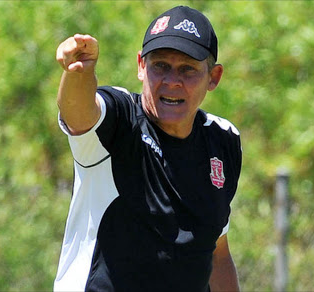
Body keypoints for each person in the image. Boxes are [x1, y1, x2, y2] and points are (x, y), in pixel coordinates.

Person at [54, 5, 242, 292]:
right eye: (160, 66)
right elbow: (78, 114)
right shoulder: (120, 121)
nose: (171, 81)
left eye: (188, 69)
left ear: (213, 77)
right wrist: (78, 72)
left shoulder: (222, 140)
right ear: (141, 66)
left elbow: (217, 252)